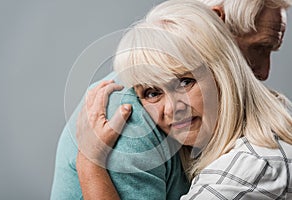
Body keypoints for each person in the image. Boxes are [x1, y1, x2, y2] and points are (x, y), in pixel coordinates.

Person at [50, 0, 291, 199]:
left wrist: (88, 164)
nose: (262, 72)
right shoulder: (126, 119)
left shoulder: (242, 172)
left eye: (186, 82)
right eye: (152, 93)